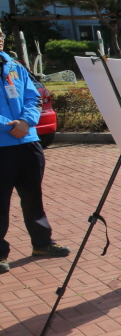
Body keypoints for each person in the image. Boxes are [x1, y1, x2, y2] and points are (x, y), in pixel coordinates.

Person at [0, 28, 70, 274]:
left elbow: (34, 97)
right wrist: (7, 126)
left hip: (28, 143)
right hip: (2, 144)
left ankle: (42, 244)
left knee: (33, 197)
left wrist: (27, 122)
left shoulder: (15, 67)